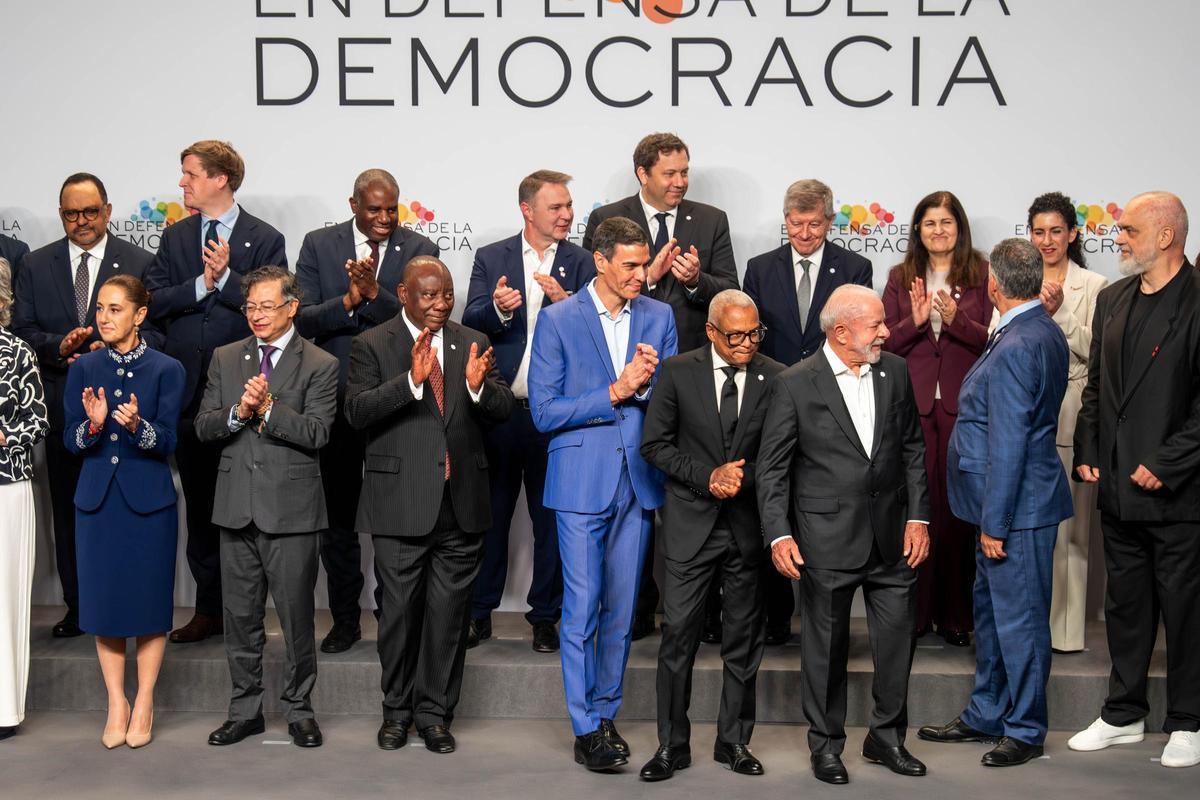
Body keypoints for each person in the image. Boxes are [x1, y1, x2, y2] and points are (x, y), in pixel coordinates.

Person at [757, 284, 930, 785]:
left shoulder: (894, 371)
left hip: (894, 536)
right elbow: (772, 470)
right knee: (826, 648)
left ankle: (887, 738)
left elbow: (913, 449)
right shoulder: (794, 383)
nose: (886, 331)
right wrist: (778, 535)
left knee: (897, 644)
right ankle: (827, 745)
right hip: (824, 538)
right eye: (876, 324)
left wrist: (919, 517)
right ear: (841, 332)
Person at [345, 256, 512, 755]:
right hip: (400, 505)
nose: (441, 304)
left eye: (447, 294)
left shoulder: (473, 342)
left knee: (449, 617)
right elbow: (356, 412)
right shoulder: (372, 344)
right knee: (398, 616)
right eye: (429, 296)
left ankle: (435, 713)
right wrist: (411, 383)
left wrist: (479, 389)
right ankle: (396, 712)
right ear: (403, 294)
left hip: (460, 504)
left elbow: (503, 410)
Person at [529, 216, 678, 771]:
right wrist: (617, 390)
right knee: (582, 606)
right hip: (579, 482)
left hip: (637, 482)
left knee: (622, 610)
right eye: (632, 265)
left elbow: (667, 404)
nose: (643, 274)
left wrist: (649, 385)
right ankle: (584, 725)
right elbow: (544, 413)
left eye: (645, 264)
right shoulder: (559, 320)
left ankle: (606, 710)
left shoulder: (659, 316)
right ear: (601, 261)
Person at [918, 238, 1072, 766]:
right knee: (992, 616)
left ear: (995, 285)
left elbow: (1010, 441)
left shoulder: (1019, 342)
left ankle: (1025, 730)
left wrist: (997, 524)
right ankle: (987, 713)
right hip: (1001, 509)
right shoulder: (1032, 329)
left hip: (1014, 513)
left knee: (1021, 623)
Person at [583, 133, 738, 640]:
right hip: (624, 383)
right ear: (642, 173)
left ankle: (696, 614)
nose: (680, 182)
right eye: (670, 173)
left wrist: (696, 281)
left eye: (684, 171)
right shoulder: (608, 217)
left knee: (687, 498)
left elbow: (731, 293)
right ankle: (635, 611)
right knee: (630, 495)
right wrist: (646, 276)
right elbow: (599, 286)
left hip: (692, 381)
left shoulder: (710, 220)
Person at [1068, 192, 1200, 769]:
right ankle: (1123, 713)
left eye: (1128, 230)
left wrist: (1168, 462)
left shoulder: (1198, 301)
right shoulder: (1115, 297)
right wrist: (1089, 448)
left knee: (1186, 610)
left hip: (1179, 493)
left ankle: (1189, 722)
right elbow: (1097, 386)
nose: (1116, 239)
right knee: (1125, 605)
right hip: (1117, 488)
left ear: (1166, 236)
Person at [146, 140, 287, 645]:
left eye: (189, 174)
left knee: (249, 509)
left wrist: (227, 279)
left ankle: (247, 613)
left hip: (246, 392)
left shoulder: (265, 238)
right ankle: (209, 610)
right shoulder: (177, 237)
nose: (182, 183)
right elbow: (154, 301)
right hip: (187, 397)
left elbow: (271, 310)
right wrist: (202, 287)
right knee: (202, 509)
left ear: (220, 179)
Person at [639, 289, 784, 781]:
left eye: (754, 333)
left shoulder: (776, 376)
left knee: (743, 642)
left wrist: (752, 484)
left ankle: (734, 742)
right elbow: (654, 445)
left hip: (747, 531)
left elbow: (782, 456)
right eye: (736, 335)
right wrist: (707, 477)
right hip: (690, 529)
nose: (747, 344)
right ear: (711, 331)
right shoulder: (678, 372)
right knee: (677, 638)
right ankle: (671, 746)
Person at [295, 168, 439, 654]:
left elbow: (423, 319)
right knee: (338, 519)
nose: (383, 219)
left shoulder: (420, 249)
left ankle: (393, 613)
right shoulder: (320, 244)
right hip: (333, 401)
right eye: (373, 209)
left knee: (392, 516)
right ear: (353, 203)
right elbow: (305, 318)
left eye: (390, 209)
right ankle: (343, 616)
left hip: (395, 398)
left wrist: (374, 297)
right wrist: (347, 300)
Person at [195, 266, 338, 749]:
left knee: (297, 618)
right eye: (250, 307)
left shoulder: (320, 362)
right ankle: (245, 710)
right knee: (239, 618)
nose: (256, 315)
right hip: (235, 508)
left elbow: (318, 432)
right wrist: (239, 411)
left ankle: (299, 709)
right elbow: (205, 426)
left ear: (292, 307)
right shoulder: (225, 357)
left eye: (267, 306)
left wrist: (269, 410)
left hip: (292, 511)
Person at [11, 173, 157, 639]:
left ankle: (123, 602)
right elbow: (21, 331)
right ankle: (78, 607)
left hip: (128, 411)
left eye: (90, 212)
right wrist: (62, 346)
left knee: (123, 511)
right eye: (72, 214)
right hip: (61, 408)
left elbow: (154, 332)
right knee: (71, 511)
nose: (82, 221)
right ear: (61, 215)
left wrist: (111, 352)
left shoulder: (138, 260)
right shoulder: (35, 264)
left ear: (108, 211)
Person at [461, 169, 595, 653]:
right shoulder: (491, 256)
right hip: (500, 411)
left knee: (551, 521)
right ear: (528, 210)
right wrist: (497, 309)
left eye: (568, 205)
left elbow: (604, 333)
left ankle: (545, 617)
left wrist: (570, 305)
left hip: (556, 415)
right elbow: (468, 322)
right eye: (556, 207)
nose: (567, 215)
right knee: (489, 518)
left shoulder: (582, 263)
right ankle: (479, 613)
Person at [743, 178, 874, 646]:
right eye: (796, 223)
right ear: (785, 221)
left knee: (823, 505)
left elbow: (857, 336)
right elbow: (750, 338)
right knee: (773, 502)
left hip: (831, 405)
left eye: (814, 223)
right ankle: (776, 616)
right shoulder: (759, 269)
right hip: (773, 401)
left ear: (830, 221)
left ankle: (824, 617)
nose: (804, 232)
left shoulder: (856, 266)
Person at [63, 275, 187, 749]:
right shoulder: (83, 368)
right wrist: (93, 428)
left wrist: (139, 427)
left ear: (139, 315)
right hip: (96, 502)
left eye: (116, 309)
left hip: (148, 504)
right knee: (105, 603)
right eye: (100, 308)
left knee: (148, 605)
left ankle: (146, 699)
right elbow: (70, 443)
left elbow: (171, 442)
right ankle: (116, 701)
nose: (104, 317)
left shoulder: (166, 369)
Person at [881, 190, 990, 647]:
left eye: (947, 222)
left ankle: (956, 617)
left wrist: (956, 320)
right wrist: (919, 320)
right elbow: (884, 343)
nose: (939, 231)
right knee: (919, 510)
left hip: (964, 406)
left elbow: (993, 339)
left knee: (958, 512)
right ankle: (918, 614)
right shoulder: (899, 276)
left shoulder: (983, 273)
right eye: (930, 223)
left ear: (959, 228)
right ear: (918, 230)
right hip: (917, 405)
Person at [1026, 192, 1107, 653]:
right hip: (1026, 407)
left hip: (1073, 406)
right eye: (1039, 231)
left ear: (1073, 234)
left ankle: (1067, 633)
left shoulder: (1094, 285)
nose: (1047, 240)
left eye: (1056, 231)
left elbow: (1098, 351)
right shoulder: (1019, 276)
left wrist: (1059, 317)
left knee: (1071, 528)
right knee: (1030, 526)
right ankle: (1033, 626)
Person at [0, 257, 48, 742]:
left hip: (4, 490)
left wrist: (2, 435)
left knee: (2, 600)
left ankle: (3, 709)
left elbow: (36, 423)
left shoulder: (16, 353)